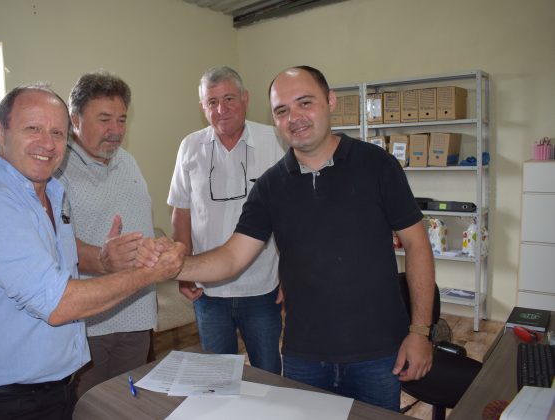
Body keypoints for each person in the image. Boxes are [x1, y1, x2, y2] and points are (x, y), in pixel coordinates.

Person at [169, 66, 436, 411]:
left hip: (377, 353)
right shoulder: (270, 186)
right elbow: (232, 258)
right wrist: (170, 266)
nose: (294, 118)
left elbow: (417, 245)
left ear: (330, 101)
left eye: (305, 103)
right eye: (282, 110)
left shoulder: (377, 165)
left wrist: (419, 332)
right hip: (305, 358)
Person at [0, 84, 184, 420]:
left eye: (57, 132)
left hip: (55, 387)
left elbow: (61, 262)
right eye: (33, 128)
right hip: (3, 401)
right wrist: (148, 273)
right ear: (0, 131)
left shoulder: (52, 194)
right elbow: (58, 304)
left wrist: (104, 260)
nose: (47, 143)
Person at [167, 66, 285, 374]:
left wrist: (290, 274)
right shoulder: (190, 147)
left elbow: (291, 215)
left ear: (245, 99)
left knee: (268, 375)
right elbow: (181, 211)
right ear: (202, 107)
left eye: (229, 98)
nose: (221, 109)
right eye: (212, 102)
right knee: (217, 379)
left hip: (262, 288)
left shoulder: (274, 142)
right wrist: (183, 270)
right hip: (209, 292)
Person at [54, 71, 159, 398]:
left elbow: (139, 223)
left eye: (122, 119)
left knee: (128, 404)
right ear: (75, 120)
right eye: (104, 119)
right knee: (88, 407)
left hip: (138, 311)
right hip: (89, 323)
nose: (116, 130)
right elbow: (51, 241)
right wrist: (101, 258)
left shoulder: (127, 161)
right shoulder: (57, 168)